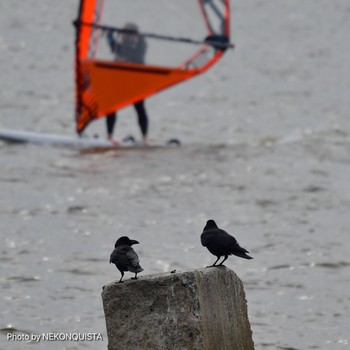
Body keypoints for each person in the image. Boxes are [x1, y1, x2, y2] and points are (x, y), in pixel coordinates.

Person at [106, 23, 150, 145]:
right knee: (111, 108)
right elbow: (112, 44)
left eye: (130, 34)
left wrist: (136, 35)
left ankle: (145, 138)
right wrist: (109, 34)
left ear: (136, 35)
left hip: (135, 83)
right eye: (125, 33)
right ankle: (109, 137)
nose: (127, 36)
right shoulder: (120, 46)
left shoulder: (141, 46)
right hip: (119, 82)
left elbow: (142, 42)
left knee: (140, 109)